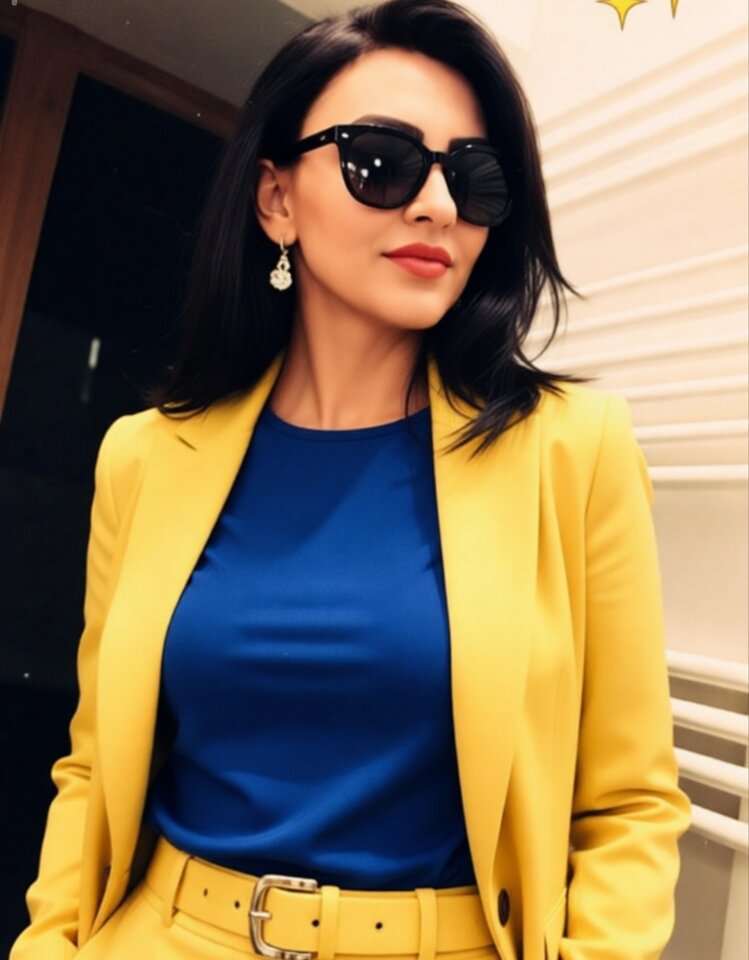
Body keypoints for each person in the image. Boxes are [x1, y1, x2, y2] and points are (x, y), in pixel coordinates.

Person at [11, 1, 691, 958]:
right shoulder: (145, 457)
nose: (438, 205)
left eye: (474, 177)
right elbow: (92, 766)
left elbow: (628, 805)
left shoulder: (572, 450)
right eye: (382, 160)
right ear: (275, 200)